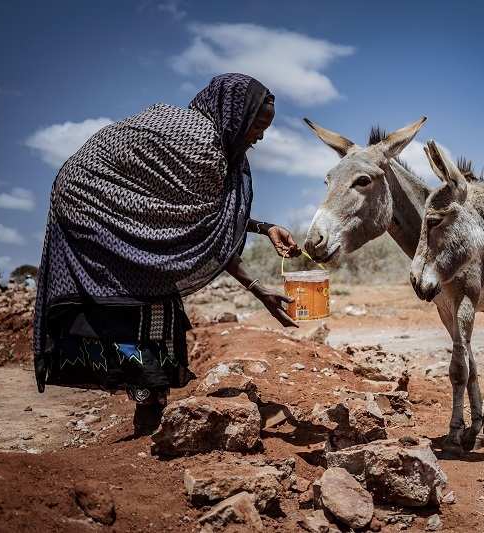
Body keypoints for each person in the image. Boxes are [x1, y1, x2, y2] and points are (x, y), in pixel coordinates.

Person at [34, 73, 301, 434]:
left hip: (108, 199)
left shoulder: (206, 133)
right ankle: (148, 402)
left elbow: (208, 218)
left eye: (265, 127)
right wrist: (257, 289)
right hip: (89, 204)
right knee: (135, 298)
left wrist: (264, 227)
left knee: (155, 301)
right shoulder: (203, 149)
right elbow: (206, 229)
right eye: (256, 125)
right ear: (234, 116)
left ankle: (149, 402)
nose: (261, 136)